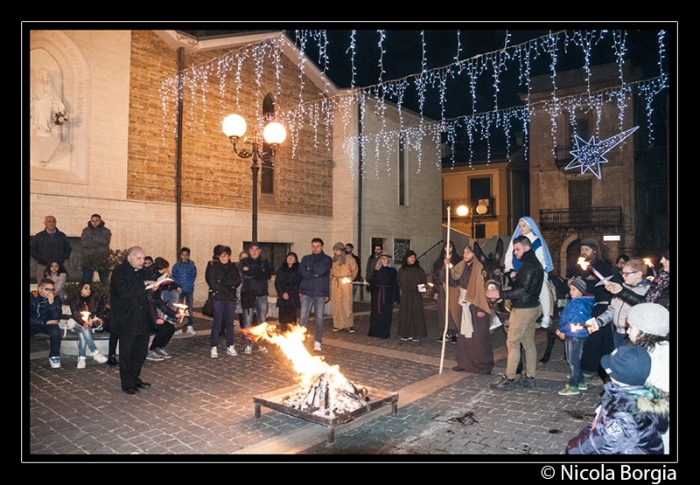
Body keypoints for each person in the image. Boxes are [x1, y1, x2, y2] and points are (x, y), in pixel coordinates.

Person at [566, 345, 669, 454]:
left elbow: (603, 442)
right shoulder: (642, 394)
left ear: (617, 374)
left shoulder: (626, 412)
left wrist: (573, 448)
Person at [486, 235, 543, 391]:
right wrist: (511, 282)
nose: (515, 252)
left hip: (523, 309)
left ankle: (510, 378)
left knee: (512, 342)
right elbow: (526, 287)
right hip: (533, 307)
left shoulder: (528, 265)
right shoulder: (533, 264)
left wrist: (500, 294)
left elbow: (522, 290)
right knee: (528, 343)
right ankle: (530, 377)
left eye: (517, 249)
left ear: (526, 247)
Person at [109, 246, 154, 395]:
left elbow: (145, 290)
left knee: (140, 351)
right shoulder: (119, 272)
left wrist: (154, 286)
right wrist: (143, 285)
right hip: (127, 318)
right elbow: (123, 292)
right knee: (127, 353)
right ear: (130, 258)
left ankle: (135, 378)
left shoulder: (142, 272)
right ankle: (127, 383)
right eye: (139, 258)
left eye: (143, 258)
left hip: (142, 317)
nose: (142, 261)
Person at [627, 302, 670, 454]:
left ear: (644, 331)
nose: (627, 331)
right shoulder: (662, 349)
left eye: (631, 327)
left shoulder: (650, 361)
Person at [574, 238, 614, 383]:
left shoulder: (601, 267)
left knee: (596, 338)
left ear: (594, 251)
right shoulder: (583, 267)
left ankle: (598, 372)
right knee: (588, 338)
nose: (583, 252)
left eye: (586, 249)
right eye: (581, 250)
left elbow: (601, 287)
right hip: (587, 308)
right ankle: (587, 368)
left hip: (599, 308)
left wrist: (584, 285)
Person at [450, 245, 494, 374]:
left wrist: (483, 308)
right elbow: (453, 281)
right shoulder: (461, 267)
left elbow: (484, 288)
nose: (465, 255)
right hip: (464, 302)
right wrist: (446, 266)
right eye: (464, 252)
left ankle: (483, 365)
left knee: (479, 336)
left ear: (474, 254)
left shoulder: (480, 268)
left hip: (477, 304)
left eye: (468, 252)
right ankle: (464, 363)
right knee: (464, 335)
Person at [588, 258, 650, 350]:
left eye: (626, 273)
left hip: (632, 336)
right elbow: (612, 310)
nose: (623, 276)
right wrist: (599, 321)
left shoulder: (647, 291)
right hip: (617, 333)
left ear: (638, 274)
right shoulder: (621, 289)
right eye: (622, 273)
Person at [504, 217, 555, 328]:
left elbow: (540, 259)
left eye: (524, 225)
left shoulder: (536, 241)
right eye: (520, 226)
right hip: (517, 272)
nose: (521, 228)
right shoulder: (516, 240)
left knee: (542, 286)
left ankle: (546, 315)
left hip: (534, 272)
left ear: (530, 226)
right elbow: (508, 256)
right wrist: (511, 270)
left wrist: (526, 271)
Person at [555, 279, 594, 396]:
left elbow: (574, 321)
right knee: (572, 359)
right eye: (570, 289)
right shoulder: (573, 301)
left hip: (576, 335)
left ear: (581, 291)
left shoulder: (580, 304)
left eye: (574, 289)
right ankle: (581, 381)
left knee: (573, 361)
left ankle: (573, 385)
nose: (571, 292)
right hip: (570, 334)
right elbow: (564, 316)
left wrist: (562, 329)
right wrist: (560, 328)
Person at [206, 245, 242, 358]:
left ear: (229, 256)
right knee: (217, 323)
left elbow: (237, 280)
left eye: (225, 255)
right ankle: (214, 347)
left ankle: (230, 345)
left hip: (230, 299)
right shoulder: (213, 266)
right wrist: (227, 286)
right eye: (220, 255)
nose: (223, 258)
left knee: (229, 323)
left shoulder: (233, 266)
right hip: (218, 298)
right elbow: (212, 282)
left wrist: (222, 281)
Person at [606, 248, 670, 311]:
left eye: (666, 258)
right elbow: (645, 305)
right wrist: (620, 291)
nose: (661, 261)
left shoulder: (647, 287)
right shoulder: (662, 279)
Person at [298, 238, 333, 351]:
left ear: (322, 246)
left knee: (319, 318)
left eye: (317, 246)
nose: (315, 248)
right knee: (303, 318)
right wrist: (312, 272)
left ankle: (317, 341)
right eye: (313, 246)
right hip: (306, 291)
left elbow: (321, 271)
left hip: (320, 292)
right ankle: (301, 341)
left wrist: (310, 270)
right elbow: (302, 272)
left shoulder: (327, 259)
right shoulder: (306, 258)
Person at [68, 282, 109, 368]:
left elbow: (95, 312)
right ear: (80, 289)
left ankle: (82, 358)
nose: (88, 291)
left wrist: (90, 320)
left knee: (83, 332)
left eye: (89, 289)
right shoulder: (74, 300)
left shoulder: (93, 300)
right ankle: (95, 352)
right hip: (77, 323)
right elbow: (75, 314)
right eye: (86, 288)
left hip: (89, 323)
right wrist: (83, 322)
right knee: (83, 328)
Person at [240, 243, 271, 354]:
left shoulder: (264, 262)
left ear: (260, 251)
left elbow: (267, 275)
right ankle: (248, 345)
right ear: (249, 251)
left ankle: (262, 344)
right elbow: (245, 274)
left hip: (262, 294)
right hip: (248, 294)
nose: (254, 251)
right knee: (247, 321)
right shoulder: (243, 262)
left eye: (256, 249)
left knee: (262, 321)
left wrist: (252, 272)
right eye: (252, 249)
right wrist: (259, 271)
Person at [30, 278, 64, 369]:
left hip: (49, 325)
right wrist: (44, 322)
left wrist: (51, 303)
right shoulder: (32, 296)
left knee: (56, 331)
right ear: (40, 288)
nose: (50, 292)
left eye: (52, 289)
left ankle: (54, 356)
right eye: (47, 289)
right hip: (34, 323)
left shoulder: (56, 298)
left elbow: (56, 317)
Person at [433, 241, 462, 343]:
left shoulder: (458, 260)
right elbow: (436, 276)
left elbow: (458, 273)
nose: (448, 249)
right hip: (442, 289)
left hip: (453, 288)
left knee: (453, 309)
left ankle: (455, 332)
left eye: (450, 247)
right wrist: (436, 290)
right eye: (446, 247)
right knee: (443, 310)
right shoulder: (439, 261)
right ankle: (445, 332)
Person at [31, 215, 72, 284]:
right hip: (43, 265)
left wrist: (61, 259)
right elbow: (32, 250)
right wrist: (41, 259)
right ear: (45, 223)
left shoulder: (62, 236)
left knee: (58, 287)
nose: (51, 223)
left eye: (53, 221)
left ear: (56, 223)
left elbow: (68, 249)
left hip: (59, 267)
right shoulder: (39, 236)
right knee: (42, 286)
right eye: (49, 221)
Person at [397, 250, 427, 342]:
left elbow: (423, 280)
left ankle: (416, 334)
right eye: (410, 257)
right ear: (406, 259)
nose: (412, 259)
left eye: (414, 257)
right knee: (406, 314)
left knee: (416, 315)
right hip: (406, 296)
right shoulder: (402, 270)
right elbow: (399, 281)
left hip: (416, 296)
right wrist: (405, 288)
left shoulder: (419, 269)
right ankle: (406, 333)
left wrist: (420, 287)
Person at [368, 254, 400, 339]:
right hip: (377, 294)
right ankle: (375, 331)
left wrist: (395, 297)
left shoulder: (392, 271)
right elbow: (373, 281)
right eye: (382, 258)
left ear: (389, 259)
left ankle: (384, 332)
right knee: (376, 313)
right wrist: (369, 285)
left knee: (386, 314)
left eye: (385, 258)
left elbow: (395, 284)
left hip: (387, 295)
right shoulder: (377, 270)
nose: (384, 260)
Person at [330, 242, 358, 332]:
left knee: (346, 302)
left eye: (337, 250)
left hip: (346, 283)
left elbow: (354, 270)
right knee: (336, 304)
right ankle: (337, 324)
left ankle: (349, 324)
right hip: (336, 282)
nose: (335, 252)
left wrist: (349, 279)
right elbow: (331, 271)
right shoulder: (334, 259)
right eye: (334, 250)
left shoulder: (350, 259)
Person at [171, 247, 197, 335]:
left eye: (186, 255)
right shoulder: (176, 266)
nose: (184, 256)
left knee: (189, 308)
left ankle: (190, 326)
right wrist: (177, 286)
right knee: (179, 309)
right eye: (183, 254)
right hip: (180, 289)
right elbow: (173, 277)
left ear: (188, 255)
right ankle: (180, 327)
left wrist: (190, 284)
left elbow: (193, 275)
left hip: (189, 289)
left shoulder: (192, 265)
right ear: (180, 255)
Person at [80, 214, 112, 283]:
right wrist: (98, 243)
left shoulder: (106, 231)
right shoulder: (86, 231)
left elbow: (105, 242)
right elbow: (84, 243)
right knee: (86, 282)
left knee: (104, 281)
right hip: (88, 259)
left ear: (100, 221)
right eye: (92, 221)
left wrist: (91, 238)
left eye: (96, 221)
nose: (94, 223)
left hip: (102, 258)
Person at [275, 252, 302, 332]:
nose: (289, 259)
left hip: (292, 298)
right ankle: (283, 336)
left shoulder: (298, 271)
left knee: (292, 321)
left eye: (292, 257)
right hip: (282, 299)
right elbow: (277, 283)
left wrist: (289, 293)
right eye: (288, 257)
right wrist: (282, 293)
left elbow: (298, 284)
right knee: (283, 320)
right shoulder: (281, 270)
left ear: (295, 260)